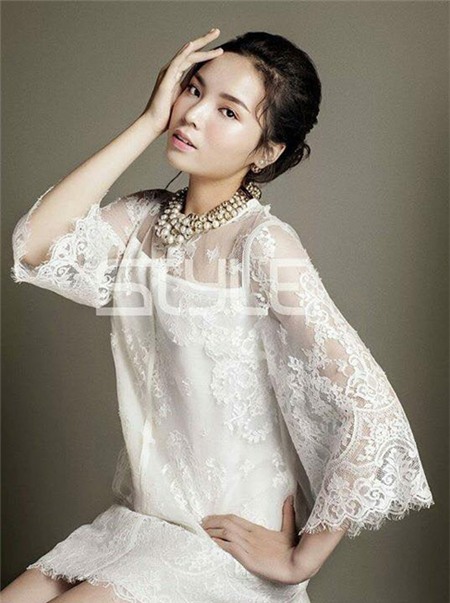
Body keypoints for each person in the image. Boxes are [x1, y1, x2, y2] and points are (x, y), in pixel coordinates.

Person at [3, 28, 434, 603]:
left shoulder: (262, 246)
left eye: (228, 111)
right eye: (193, 90)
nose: (193, 115)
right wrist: (147, 121)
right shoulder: (143, 220)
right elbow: (34, 247)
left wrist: (301, 558)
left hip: (218, 545)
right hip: (140, 523)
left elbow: (370, 408)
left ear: (266, 151)